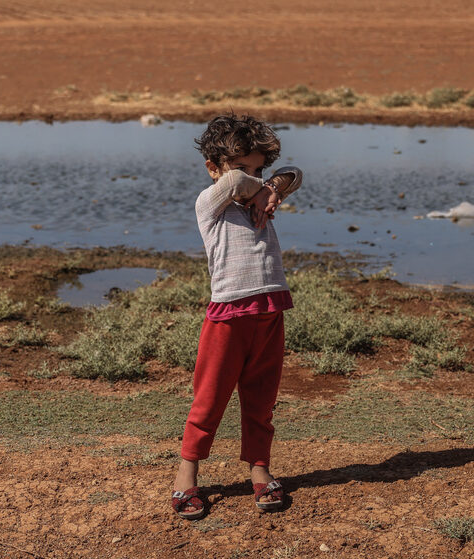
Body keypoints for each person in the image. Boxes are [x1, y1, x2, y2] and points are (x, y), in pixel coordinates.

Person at [170, 114, 303, 520]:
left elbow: (294, 173)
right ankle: (186, 474)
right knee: (209, 398)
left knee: (261, 398)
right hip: (228, 314)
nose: (253, 177)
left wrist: (272, 187)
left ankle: (259, 470)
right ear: (212, 167)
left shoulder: (261, 193)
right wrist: (262, 188)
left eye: (259, 168)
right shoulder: (210, 202)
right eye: (242, 166)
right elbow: (233, 185)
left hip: (269, 310)